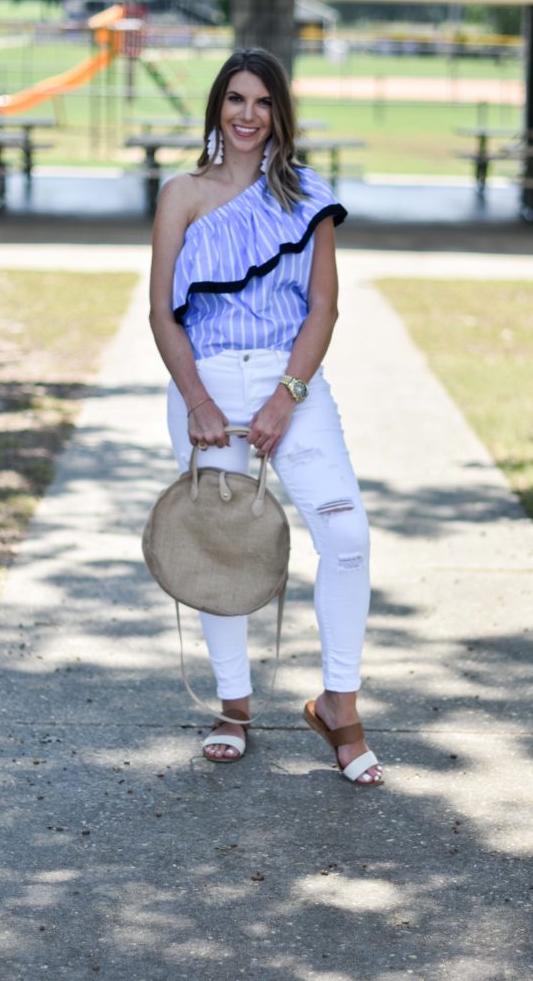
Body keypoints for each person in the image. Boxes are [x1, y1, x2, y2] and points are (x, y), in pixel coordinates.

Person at [149, 48, 383, 786]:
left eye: (262, 103)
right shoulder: (181, 193)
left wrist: (286, 394)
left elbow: (324, 308)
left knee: (344, 532)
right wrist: (199, 402)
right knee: (220, 549)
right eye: (235, 100)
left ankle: (338, 706)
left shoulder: (308, 196)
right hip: (207, 384)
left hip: (289, 380)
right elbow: (161, 312)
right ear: (217, 107)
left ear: (280, 113)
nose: (247, 115)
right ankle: (234, 706)